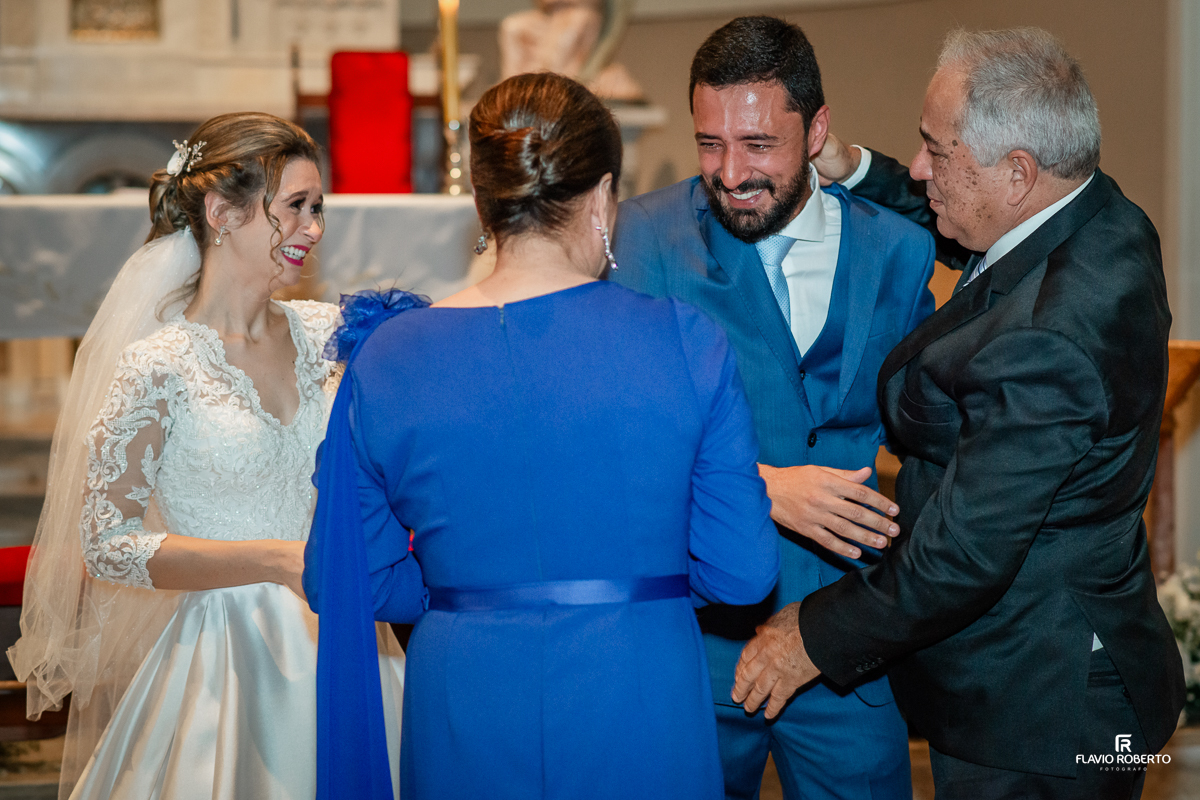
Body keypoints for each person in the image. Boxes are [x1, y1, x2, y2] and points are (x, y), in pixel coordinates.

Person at [733, 27, 1186, 799]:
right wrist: (853, 167)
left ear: (1017, 173)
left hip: (1039, 710)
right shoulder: (1095, 215)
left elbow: (963, 556)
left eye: (935, 153)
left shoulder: (1052, 337)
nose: (919, 170)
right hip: (1046, 664)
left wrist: (807, 637)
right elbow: (973, 222)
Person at [302, 71, 780, 800]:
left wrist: (462, 595)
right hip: (639, 686)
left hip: (464, 689)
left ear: (482, 203)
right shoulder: (686, 341)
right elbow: (741, 572)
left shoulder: (388, 357)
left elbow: (345, 574)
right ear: (602, 197)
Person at [6, 112, 407, 800]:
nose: (313, 228)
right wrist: (276, 561)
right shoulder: (159, 366)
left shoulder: (331, 335)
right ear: (223, 211)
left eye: (319, 208)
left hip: (350, 638)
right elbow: (109, 544)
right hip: (226, 656)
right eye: (295, 208)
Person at [610, 16, 934, 799]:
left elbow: (931, 434)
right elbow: (611, 434)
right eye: (710, 142)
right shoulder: (642, 237)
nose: (730, 172)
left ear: (816, 128)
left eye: (758, 145)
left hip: (846, 648)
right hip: (692, 643)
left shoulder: (899, 249)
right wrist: (761, 486)